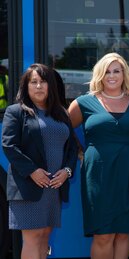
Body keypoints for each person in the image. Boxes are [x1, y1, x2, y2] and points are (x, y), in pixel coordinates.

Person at [68, 53, 129, 259]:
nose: (111, 76)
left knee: (123, 233)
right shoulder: (83, 103)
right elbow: (63, 131)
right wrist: (80, 152)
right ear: (99, 74)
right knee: (103, 235)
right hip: (98, 175)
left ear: (124, 74)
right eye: (107, 71)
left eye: (116, 71)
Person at [1, 63, 78, 259]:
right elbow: (9, 146)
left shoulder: (61, 113)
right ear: (25, 87)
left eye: (43, 81)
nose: (38, 86)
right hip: (28, 186)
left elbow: (71, 149)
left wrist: (67, 172)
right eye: (33, 82)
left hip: (54, 187)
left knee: (45, 235)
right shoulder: (16, 112)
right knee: (33, 237)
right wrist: (32, 171)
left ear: (50, 85)